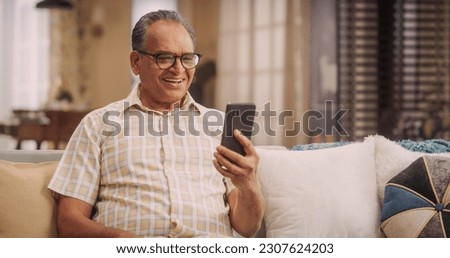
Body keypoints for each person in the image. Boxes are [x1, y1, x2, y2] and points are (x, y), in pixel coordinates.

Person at [48, 9, 265, 238]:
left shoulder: (219, 125)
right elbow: (69, 221)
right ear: (136, 62)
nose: (178, 69)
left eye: (187, 58)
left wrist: (248, 184)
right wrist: (120, 239)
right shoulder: (97, 125)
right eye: (164, 57)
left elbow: (247, 227)